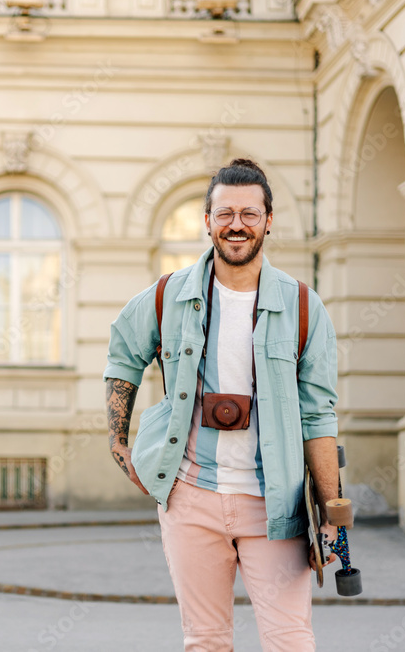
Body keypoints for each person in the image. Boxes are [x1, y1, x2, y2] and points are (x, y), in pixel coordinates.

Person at [103, 159, 340, 651]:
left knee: (290, 641)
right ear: (207, 221)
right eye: (225, 213)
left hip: (274, 504)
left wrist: (333, 512)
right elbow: (123, 351)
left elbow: (318, 415)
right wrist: (118, 442)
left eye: (250, 214)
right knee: (206, 641)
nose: (237, 224)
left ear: (268, 221)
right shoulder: (169, 295)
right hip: (190, 498)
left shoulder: (301, 305)